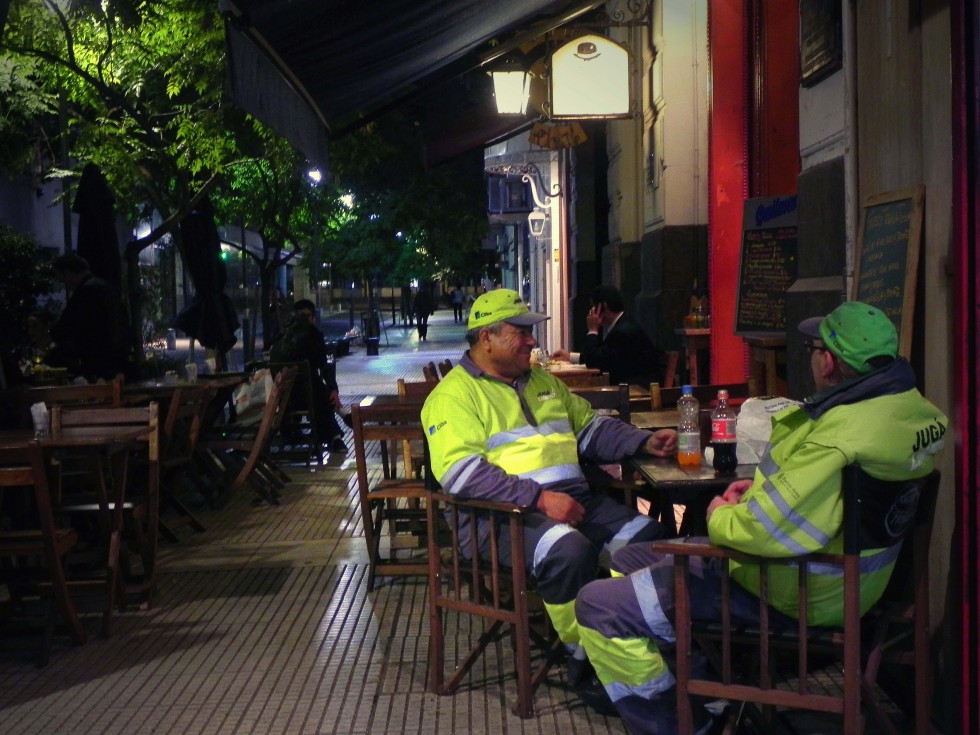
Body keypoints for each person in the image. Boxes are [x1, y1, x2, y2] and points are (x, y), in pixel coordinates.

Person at [573, 301, 948, 734]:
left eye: (813, 347)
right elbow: (826, 502)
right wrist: (761, 491)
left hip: (794, 590)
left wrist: (718, 515)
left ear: (828, 362)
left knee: (598, 605)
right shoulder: (909, 414)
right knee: (630, 559)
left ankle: (682, 724)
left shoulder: (839, 438)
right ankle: (707, 688)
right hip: (854, 582)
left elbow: (763, 532)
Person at [421, 288, 678, 712]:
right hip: (495, 518)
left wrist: (645, 442)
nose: (532, 341)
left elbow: (591, 429)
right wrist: (540, 499)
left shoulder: (543, 382)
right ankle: (586, 660)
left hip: (572, 504)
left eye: (530, 331)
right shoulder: (453, 396)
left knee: (647, 541)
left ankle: (629, 635)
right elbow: (461, 476)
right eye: (520, 332)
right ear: (486, 338)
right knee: (569, 552)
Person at [269, 299, 349, 454]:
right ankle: (335, 434)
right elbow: (323, 365)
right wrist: (333, 389)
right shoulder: (312, 336)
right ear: (312, 318)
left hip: (281, 395)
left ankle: (335, 433)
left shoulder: (282, 335)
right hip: (306, 395)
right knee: (319, 390)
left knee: (317, 387)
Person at [550, 284, 663, 387]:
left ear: (603, 306)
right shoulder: (623, 324)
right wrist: (570, 356)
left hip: (637, 389)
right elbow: (603, 356)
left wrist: (593, 329)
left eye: (593, 307)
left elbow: (595, 362)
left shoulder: (623, 331)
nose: (591, 311)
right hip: (629, 385)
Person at [47, 253, 130, 382]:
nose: (65, 285)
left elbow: (65, 327)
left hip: (96, 363)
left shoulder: (84, 293)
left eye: (62, 280)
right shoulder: (109, 289)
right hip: (116, 359)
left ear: (68, 273)